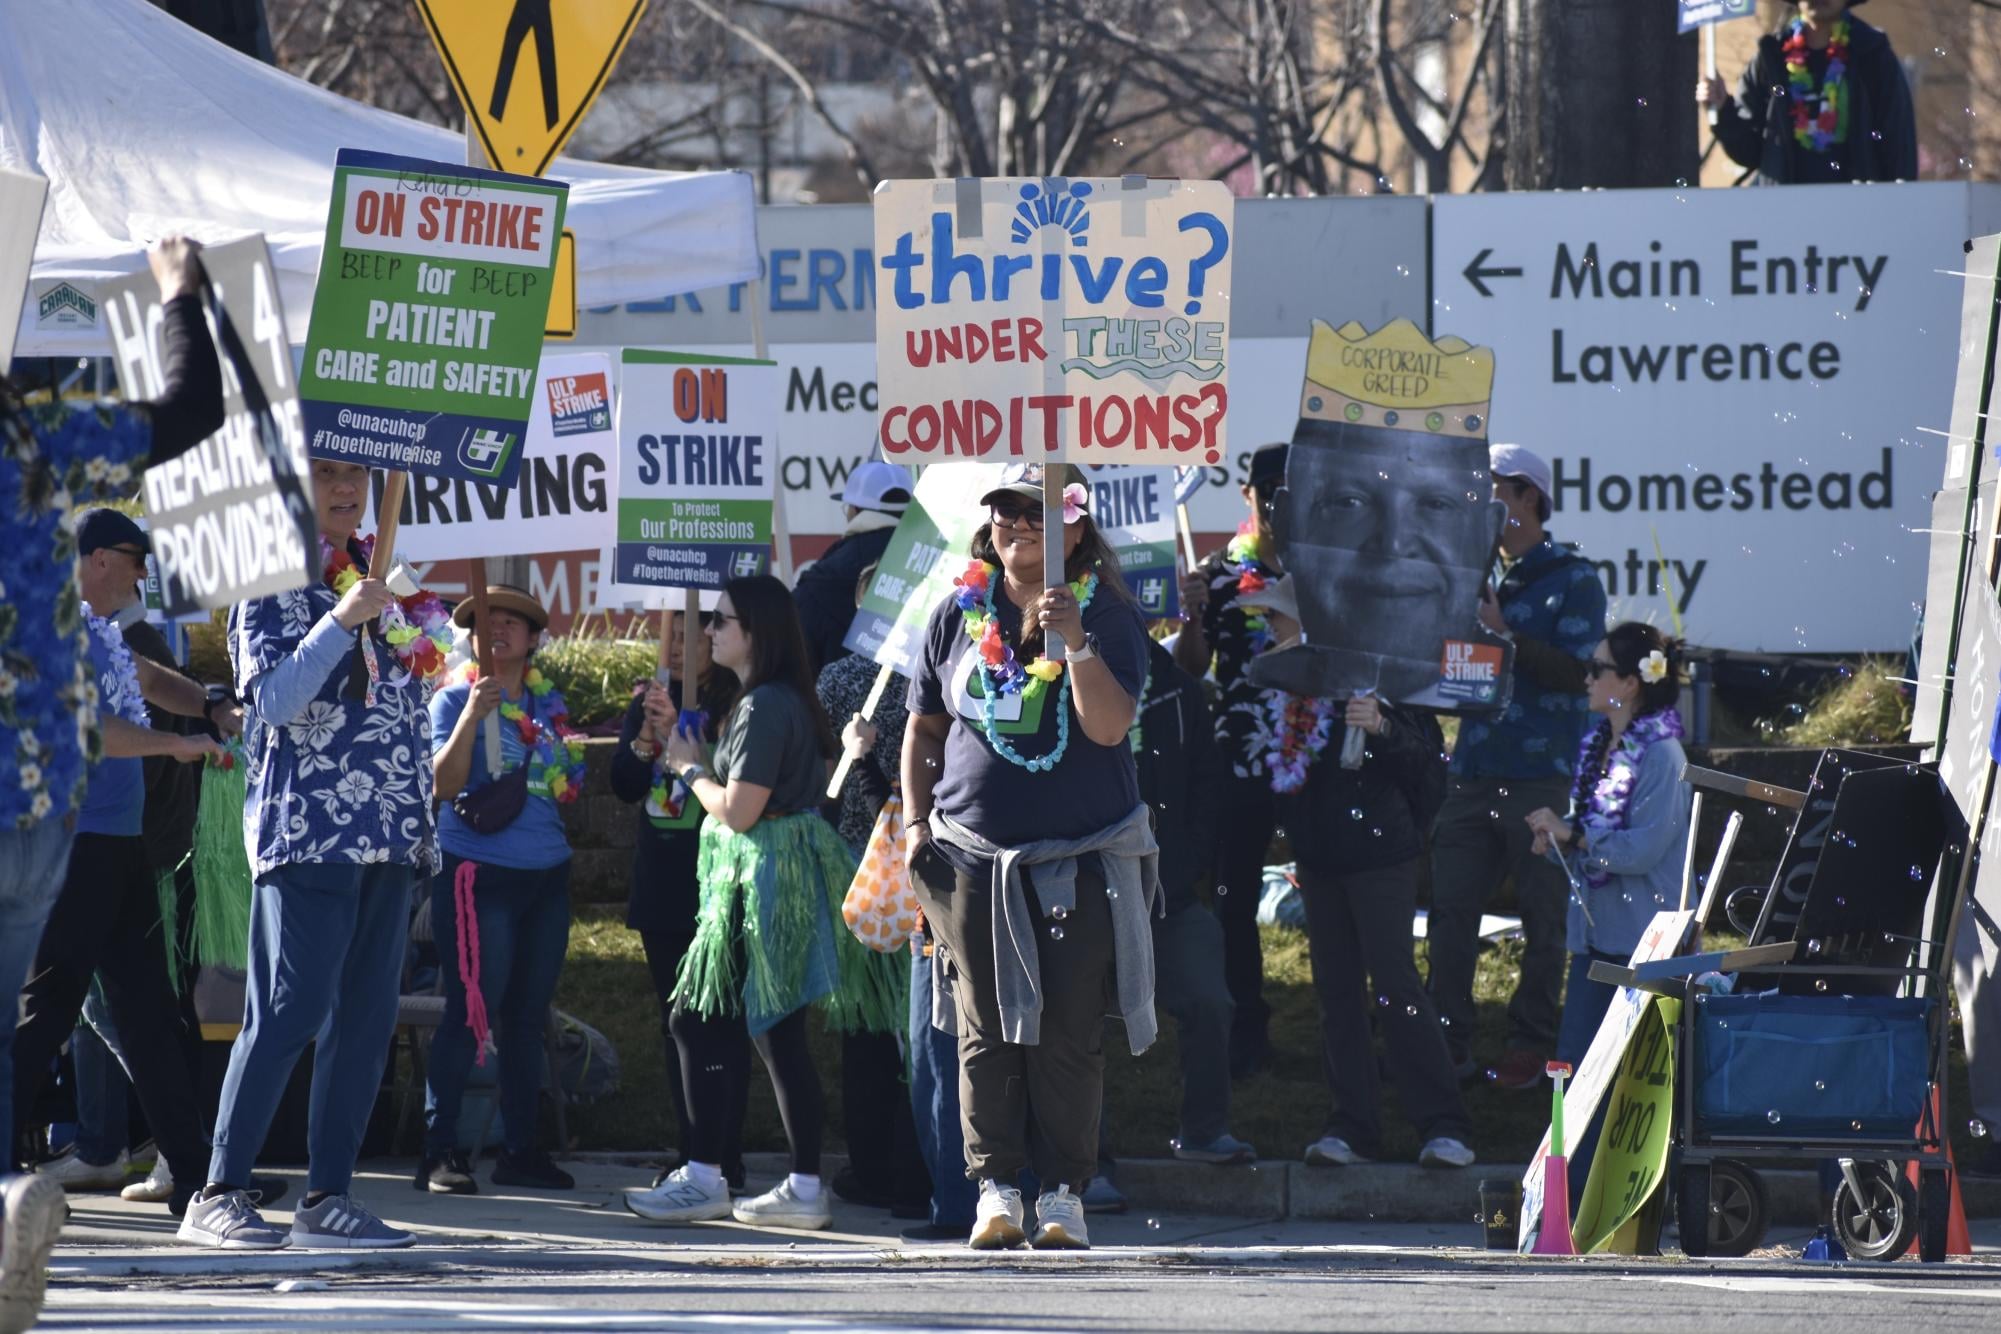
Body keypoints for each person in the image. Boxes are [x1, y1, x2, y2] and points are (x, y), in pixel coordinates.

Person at [0, 236, 221, 1334]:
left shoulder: (100, 616)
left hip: (67, 816)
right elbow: (185, 411)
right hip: (43, 803)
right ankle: (168, 1169)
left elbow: (133, 678)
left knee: (40, 1016)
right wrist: (185, 296)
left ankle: (21, 1191)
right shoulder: (36, 444)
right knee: (68, 1007)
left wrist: (198, 719)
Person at [178, 457, 443, 1251]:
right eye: (327, 471)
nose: (347, 486)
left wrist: (410, 624)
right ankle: (217, 1191)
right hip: (310, 829)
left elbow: (419, 684)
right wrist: (341, 619)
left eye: (357, 472)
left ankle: (329, 1197)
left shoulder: (380, 571)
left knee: (364, 1021)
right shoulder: (271, 576)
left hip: (392, 832)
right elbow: (274, 702)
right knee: (287, 1011)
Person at [904, 462, 1156, 1252]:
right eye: (1005, 510)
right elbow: (922, 730)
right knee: (982, 1026)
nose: (1016, 522)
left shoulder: (1107, 614)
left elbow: (1109, 728)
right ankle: (994, 1189)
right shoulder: (956, 611)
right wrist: (915, 830)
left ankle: (1064, 1195)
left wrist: (1074, 642)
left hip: (1076, 861)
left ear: (1074, 528)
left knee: (1067, 1030)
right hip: (970, 857)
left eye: (1036, 511)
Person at [625, 576, 896, 1231]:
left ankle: (752, 1180)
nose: (709, 632)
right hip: (768, 873)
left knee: (747, 1026)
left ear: (756, 631)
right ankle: (722, 1175)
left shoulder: (763, 705)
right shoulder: (771, 699)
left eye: (721, 622)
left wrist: (689, 768)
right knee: (721, 1022)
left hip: (765, 875)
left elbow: (741, 812)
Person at [11, 515, 227, 1219]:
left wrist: (210, 706)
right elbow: (90, 732)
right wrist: (174, 744)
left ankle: (196, 1183)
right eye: (135, 561)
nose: (143, 575)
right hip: (70, 849)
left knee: (150, 1017)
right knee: (44, 1014)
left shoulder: (96, 631)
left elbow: (150, 679)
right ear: (98, 558)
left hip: (116, 847)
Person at [1427, 444, 1606, 1090]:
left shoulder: (1573, 578)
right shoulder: (1469, 574)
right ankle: (1444, 1043)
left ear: (1528, 496)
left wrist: (1505, 636)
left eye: (1492, 488)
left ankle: (1530, 1046)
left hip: (1541, 775)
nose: (1479, 499)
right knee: (1450, 914)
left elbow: (1580, 672)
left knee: (1542, 918)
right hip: (1471, 771)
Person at [417, 585, 587, 1195]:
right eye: (485, 621)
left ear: (535, 639)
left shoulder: (549, 709)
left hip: (546, 877)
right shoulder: (452, 699)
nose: (497, 630)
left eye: (514, 622)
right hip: (475, 875)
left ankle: (521, 1149)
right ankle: (441, 1152)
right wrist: (470, 717)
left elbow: (566, 786)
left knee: (523, 1017)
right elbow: (440, 785)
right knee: (471, 1013)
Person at [1272, 667, 1475, 1170]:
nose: (1272, 629)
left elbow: (1430, 770)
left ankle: (1444, 1125)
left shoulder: (1386, 676)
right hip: (1320, 862)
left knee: (1396, 986)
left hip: (1382, 858)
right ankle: (1352, 1128)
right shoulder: (1294, 683)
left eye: (1279, 618)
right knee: (1336, 993)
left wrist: (1383, 729)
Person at [1091, 637, 1254, 1207]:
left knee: (1211, 1002)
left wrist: (1185, 865)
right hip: (1093, 892)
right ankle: (1087, 1165)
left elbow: (1210, 788)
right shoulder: (1069, 677)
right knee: (1079, 1024)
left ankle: (1204, 1131)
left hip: (1172, 895)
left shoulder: (1180, 691)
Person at [607, 612, 745, 1194]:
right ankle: (690, 1149)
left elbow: (741, 781)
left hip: (718, 881)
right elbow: (624, 784)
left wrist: (691, 742)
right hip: (663, 882)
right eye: (679, 635)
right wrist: (646, 737)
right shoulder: (651, 699)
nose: (690, 645)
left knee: (723, 1022)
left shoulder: (740, 700)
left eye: (702, 632)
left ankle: (724, 1153)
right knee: (677, 1024)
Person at [1173, 443, 1289, 1078]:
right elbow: (1192, 668)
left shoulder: (1324, 571)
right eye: (1266, 488)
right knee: (1235, 901)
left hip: (1315, 762)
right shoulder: (1219, 574)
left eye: (1288, 488)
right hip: (1240, 764)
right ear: (1247, 495)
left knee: (1330, 901)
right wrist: (1192, 616)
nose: (1276, 501)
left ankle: (1346, 1030)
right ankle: (1247, 1030)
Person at [1527, 625, 1692, 1068]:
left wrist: (1575, 836)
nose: (1586, 678)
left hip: (1645, 945)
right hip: (1595, 938)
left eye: (1597, 669)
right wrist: (1562, 838)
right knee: (1575, 1072)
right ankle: (1570, 1143)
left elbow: (1642, 851)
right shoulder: (1599, 743)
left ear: (1630, 683)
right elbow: (1592, 831)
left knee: (1627, 1079)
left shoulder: (1662, 754)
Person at [816, 582, 930, 1218]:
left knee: (867, 1034)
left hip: (863, 876)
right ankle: (909, 1165)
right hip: (914, 873)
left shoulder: (840, 679)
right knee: (906, 1033)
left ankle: (876, 1166)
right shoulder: (942, 674)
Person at [1698, 0, 1915, 186]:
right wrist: (1722, 108)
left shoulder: (1872, 54)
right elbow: (1749, 153)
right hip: (1785, 214)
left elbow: (1898, 146)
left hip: (1858, 212)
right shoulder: (1770, 57)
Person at [795, 460, 914, 675]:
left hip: (830, 703)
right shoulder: (935, 560)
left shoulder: (821, 577)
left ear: (854, 510)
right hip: (919, 705)